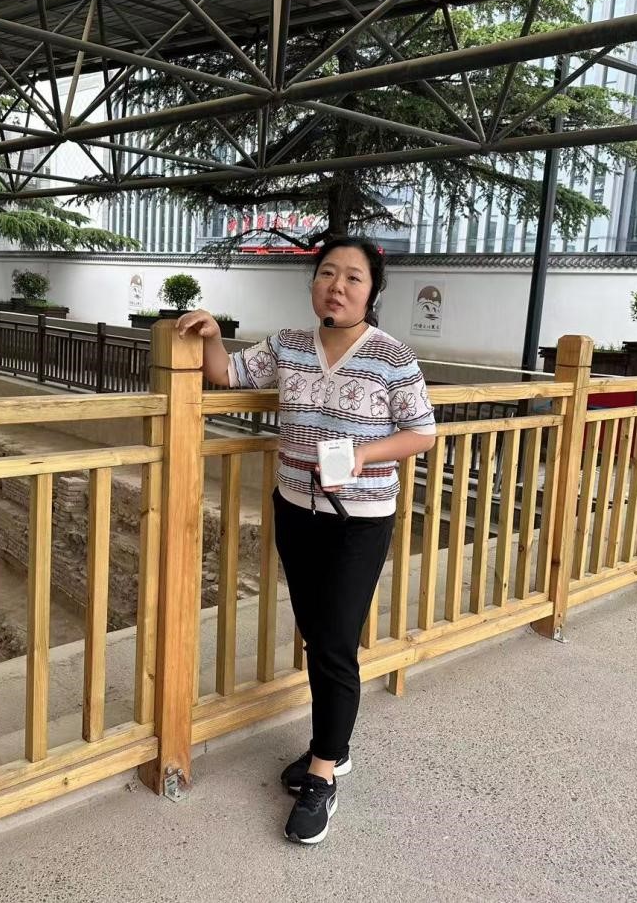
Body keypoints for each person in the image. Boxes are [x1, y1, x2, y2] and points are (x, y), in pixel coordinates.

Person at [176, 236, 437, 845]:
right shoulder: (288, 346)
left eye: (353, 277)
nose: (337, 286)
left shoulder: (393, 357)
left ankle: (323, 774)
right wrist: (211, 333)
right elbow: (225, 374)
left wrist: (361, 455)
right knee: (318, 634)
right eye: (327, 274)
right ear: (314, 284)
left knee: (336, 641)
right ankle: (333, 746)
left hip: (360, 518)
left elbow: (422, 433)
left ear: (372, 292)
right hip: (296, 509)